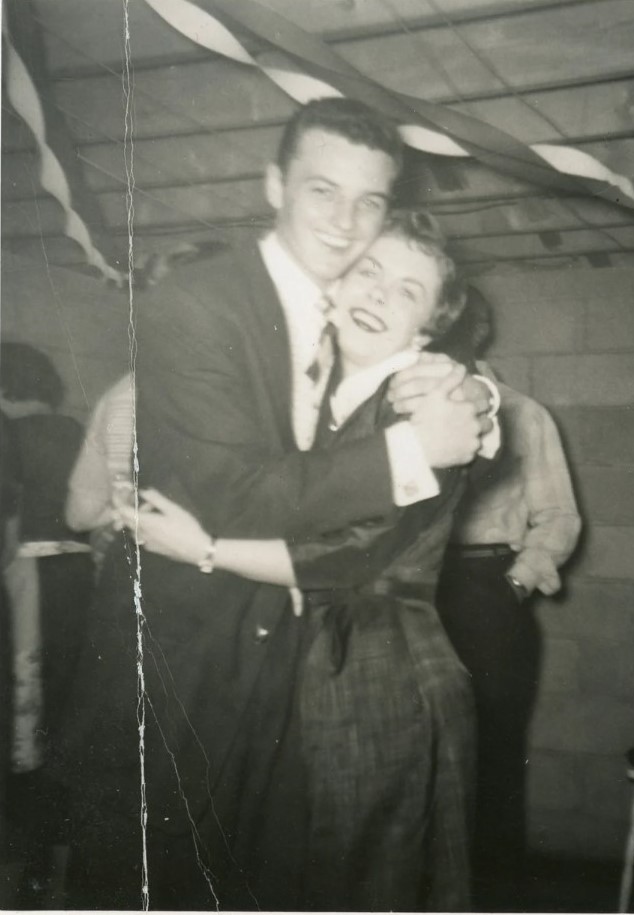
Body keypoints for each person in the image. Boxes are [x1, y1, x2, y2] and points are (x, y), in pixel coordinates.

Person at [57, 98, 495, 910]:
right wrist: (417, 445)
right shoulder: (199, 302)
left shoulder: (353, 326)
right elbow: (240, 493)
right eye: (322, 191)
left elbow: (387, 416)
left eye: (369, 202)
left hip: (290, 669)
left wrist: (471, 393)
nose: (345, 222)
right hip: (183, 656)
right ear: (273, 185)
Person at [433, 304, 582, 905]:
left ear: (478, 333)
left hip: (486, 589)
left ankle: (493, 899)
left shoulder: (524, 414)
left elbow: (558, 517)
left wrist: (512, 587)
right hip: (411, 591)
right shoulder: (394, 418)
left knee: (491, 763)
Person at [0, 343, 93, 904]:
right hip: (75, 576)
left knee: (20, 707)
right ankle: (46, 852)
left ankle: (23, 855)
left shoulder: (11, 436)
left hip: (26, 578)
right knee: (61, 708)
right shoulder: (73, 431)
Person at [64, 373, 134, 571]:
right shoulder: (128, 397)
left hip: (123, 538)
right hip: (114, 527)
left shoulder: (127, 393)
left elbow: (80, 516)